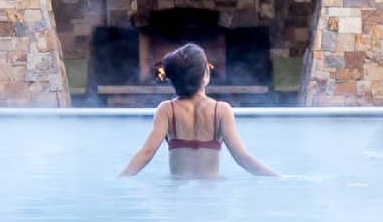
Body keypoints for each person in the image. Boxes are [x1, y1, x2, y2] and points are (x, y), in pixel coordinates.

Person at [119, 43, 278, 179]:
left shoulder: (167, 110)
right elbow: (243, 158)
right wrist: (278, 178)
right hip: (210, 194)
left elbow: (146, 153)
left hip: (177, 193)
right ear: (206, 75)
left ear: (173, 81)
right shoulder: (221, 110)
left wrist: (120, 178)